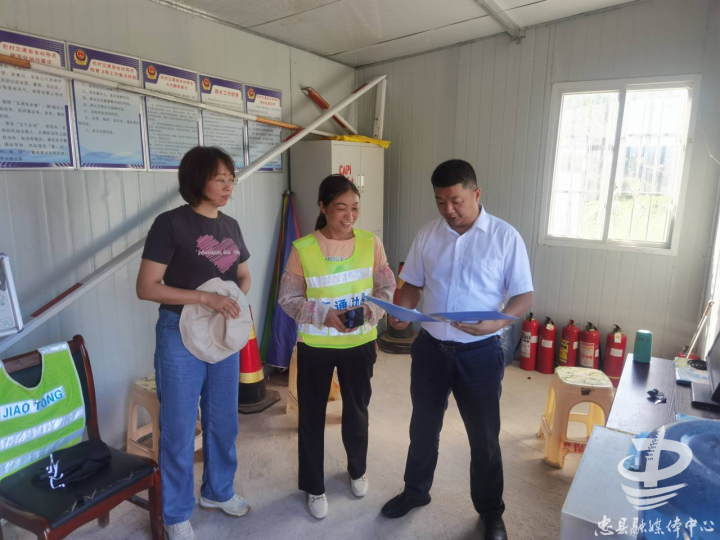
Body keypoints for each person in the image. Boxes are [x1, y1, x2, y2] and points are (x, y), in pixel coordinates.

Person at [381, 160, 533, 540]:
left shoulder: (504, 237)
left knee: (484, 438)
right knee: (423, 427)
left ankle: (491, 513)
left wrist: (497, 323)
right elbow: (412, 285)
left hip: (480, 353)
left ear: (476, 194)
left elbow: (523, 296)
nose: (448, 209)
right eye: (440, 201)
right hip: (431, 349)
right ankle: (416, 491)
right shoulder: (428, 235)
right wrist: (402, 311)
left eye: (456, 201)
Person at [136, 146, 252, 540]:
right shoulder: (170, 224)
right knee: (180, 426)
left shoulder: (231, 226)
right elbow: (147, 287)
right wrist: (205, 298)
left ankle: (218, 491)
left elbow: (243, 276)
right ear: (197, 180)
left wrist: (232, 300)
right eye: (220, 179)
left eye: (231, 179)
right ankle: (175, 513)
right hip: (178, 332)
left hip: (222, 331)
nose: (228, 186)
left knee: (224, 419)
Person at [279, 174, 395, 519]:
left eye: (355, 208)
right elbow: (288, 298)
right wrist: (323, 314)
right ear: (323, 207)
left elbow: (386, 288)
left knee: (357, 411)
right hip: (316, 345)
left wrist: (369, 311)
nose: (349, 215)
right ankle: (314, 487)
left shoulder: (371, 243)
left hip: (359, 344)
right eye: (341, 208)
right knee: (311, 416)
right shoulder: (303, 248)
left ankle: (357, 470)